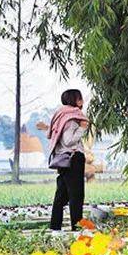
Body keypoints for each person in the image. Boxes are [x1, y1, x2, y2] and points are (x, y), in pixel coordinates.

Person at [48, 89, 89, 232]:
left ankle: (55, 228)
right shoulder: (71, 118)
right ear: (73, 100)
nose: (82, 102)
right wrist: (82, 128)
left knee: (62, 195)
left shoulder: (61, 115)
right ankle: (77, 229)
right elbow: (69, 141)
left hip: (63, 159)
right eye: (79, 99)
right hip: (73, 159)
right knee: (76, 195)